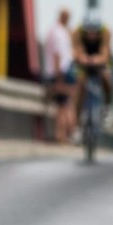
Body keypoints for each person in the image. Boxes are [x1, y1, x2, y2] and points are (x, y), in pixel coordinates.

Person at [72, 8, 113, 132]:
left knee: (106, 78)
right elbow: (76, 50)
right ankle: (77, 124)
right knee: (80, 83)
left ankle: (107, 107)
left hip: (99, 57)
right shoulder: (77, 32)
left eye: (94, 32)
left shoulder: (106, 32)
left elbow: (105, 51)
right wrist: (81, 57)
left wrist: (98, 59)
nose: (91, 35)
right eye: (88, 31)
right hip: (84, 57)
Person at [42, 8, 76, 143]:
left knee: (62, 106)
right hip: (69, 71)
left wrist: (58, 78)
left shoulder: (56, 32)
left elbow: (57, 56)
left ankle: (61, 135)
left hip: (61, 72)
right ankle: (68, 135)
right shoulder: (66, 33)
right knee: (67, 104)